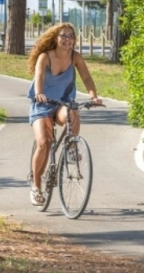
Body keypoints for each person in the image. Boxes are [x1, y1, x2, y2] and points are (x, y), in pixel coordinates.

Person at [27, 22, 102, 206]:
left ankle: (71, 147)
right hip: (42, 104)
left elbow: (86, 77)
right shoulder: (45, 57)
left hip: (62, 102)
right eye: (63, 35)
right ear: (55, 38)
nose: (67, 39)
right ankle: (36, 187)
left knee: (72, 111)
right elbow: (40, 77)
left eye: (70, 36)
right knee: (44, 143)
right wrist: (39, 93)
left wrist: (93, 96)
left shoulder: (75, 57)